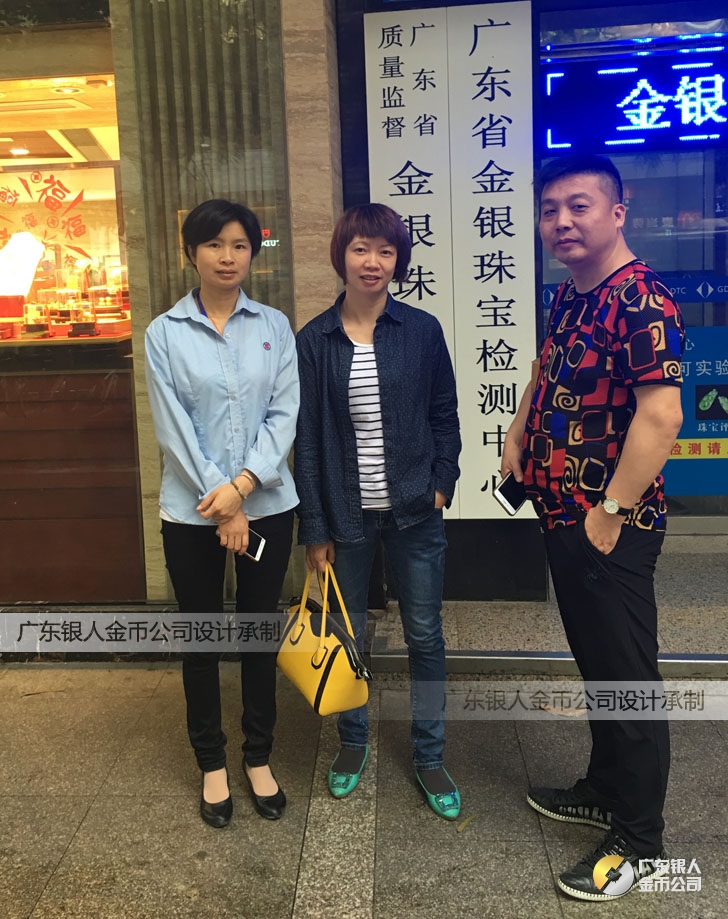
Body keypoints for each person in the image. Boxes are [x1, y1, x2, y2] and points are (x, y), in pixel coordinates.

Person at [502, 155, 684, 900]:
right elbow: (545, 367)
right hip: (564, 517)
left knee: (628, 678)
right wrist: (519, 431)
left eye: (578, 206)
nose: (562, 222)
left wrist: (609, 512)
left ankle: (640, 841)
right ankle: (605, 788)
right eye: (550, 209)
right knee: (600, 667)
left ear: (617, 211)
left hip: (610, 525)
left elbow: (661, 415)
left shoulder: (642, 298)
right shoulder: (572, 294)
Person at [294, 203, 462, 820]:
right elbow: (307, 441)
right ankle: (353, 740)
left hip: (416, 509)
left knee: (425, 634)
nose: (373, 262)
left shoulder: (421, 331)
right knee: (346, 633)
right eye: (361, 249)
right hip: (346, 516)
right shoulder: (315, 340)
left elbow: (445, 414)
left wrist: (442, 482)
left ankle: (429, 754)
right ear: (342, 255)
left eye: (385, 251)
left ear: (398, 261)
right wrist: (315, 528)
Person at [145, 199, 299, 828]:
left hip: (268, 505)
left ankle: (258, 755)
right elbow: (173, 428)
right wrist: (224, 500)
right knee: (202, 640)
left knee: (260, 635)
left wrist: (244, 486)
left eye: (239, 245)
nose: (227, 257)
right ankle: (211, 762)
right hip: (192, 514)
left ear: (252, 253)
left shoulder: (275, 326)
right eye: (214, 244)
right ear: (191, 253)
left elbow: (284, 413)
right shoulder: (164, 333)